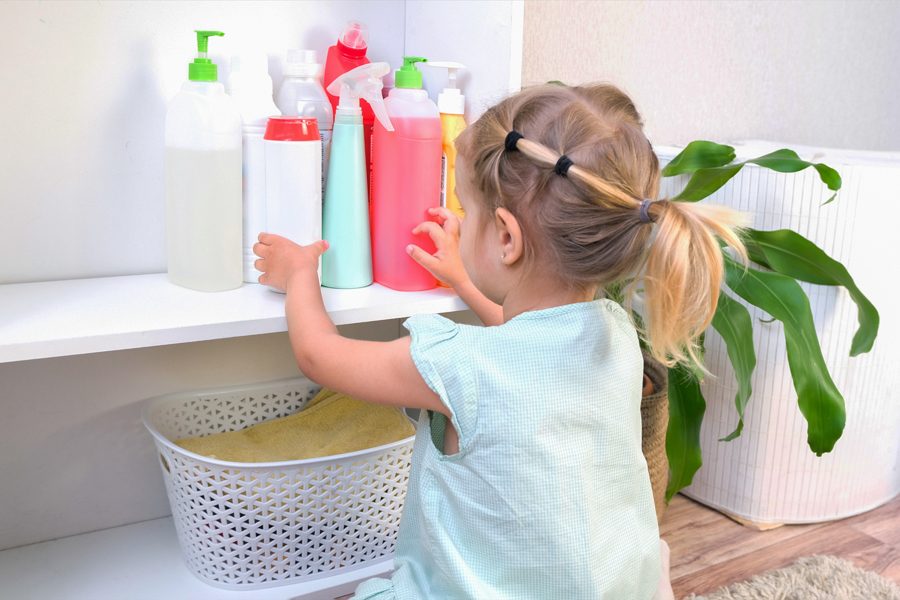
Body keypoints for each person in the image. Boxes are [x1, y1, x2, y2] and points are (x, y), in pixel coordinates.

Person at [253, 82, 747, 599]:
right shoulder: (614, 336)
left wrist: (300, 274)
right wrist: (465, 280)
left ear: (507, 238)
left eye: (466, 210)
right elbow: (526, 349)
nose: (460, 223)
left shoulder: (454, 365)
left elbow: (319, 355)